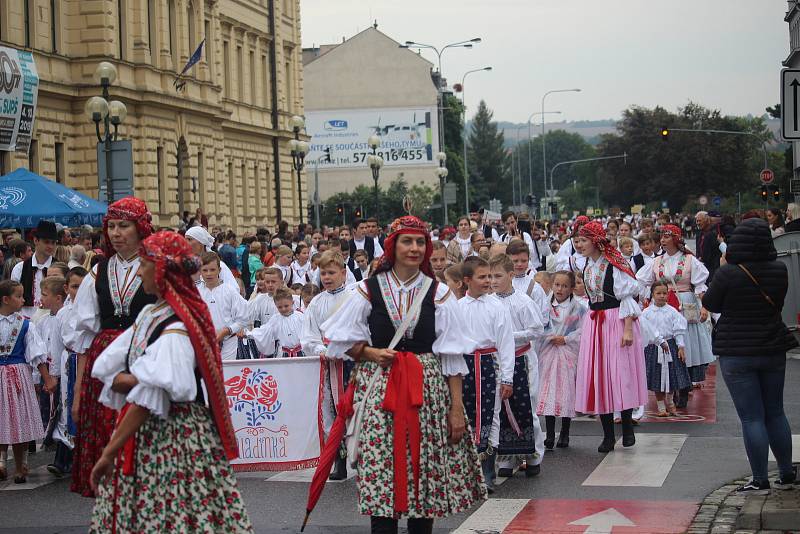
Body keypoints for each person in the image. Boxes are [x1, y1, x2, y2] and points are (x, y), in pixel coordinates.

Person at [321, 215, 485, 534]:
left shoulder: (438, 293)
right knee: (382, 470)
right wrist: (371, 353)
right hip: (381, 391)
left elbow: (452, 355)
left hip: (428, 392)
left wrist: (456, 410)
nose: (414, 248)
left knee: (423, 473)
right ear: (393, 246)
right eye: (407, 241)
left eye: (420, 242)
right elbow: (341, 342)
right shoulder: (367, 290)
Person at [88, 231, 253, 531]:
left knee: (172, 512)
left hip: (172, 437)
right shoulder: (154, 313)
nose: (139, 271)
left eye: (144, 264)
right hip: (152, 433)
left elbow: (149, 396)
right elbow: (110, 368)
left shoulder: (176, 325)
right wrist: (132, 379)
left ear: (162, 269)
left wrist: (109, 452)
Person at [67, 197, 156, 497]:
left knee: (141, 435)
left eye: (124, 226)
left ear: (139, 227)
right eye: (112, 226)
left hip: (144, 356)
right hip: (103, 361)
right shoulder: (98, 271)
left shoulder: (155, 266)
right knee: (107, 434)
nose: (116, 233)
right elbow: (83, 339)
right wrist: (78, 391)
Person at [702, 218, 798, 493]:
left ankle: (759, 478)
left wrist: (721, 270)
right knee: (776, 412)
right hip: (772, 346)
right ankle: (786, 471)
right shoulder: (780, 269)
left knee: (751, 417)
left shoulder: (728, 273)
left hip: (736, 350)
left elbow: (710, 303)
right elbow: (778, 303)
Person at [574, 221, 647, 453]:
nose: (579, 245)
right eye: (577, 240)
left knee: (619, 372)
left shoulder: (614, 264)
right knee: (599, 376)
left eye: (583, 240)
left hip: (616, 321)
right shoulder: (587, 266)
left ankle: (626, 428)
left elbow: (628, 298)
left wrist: (627, 329)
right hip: (595, 323)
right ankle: (607, 435)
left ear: (596, 241)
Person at [636, 225, 715, 406]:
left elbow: (700, 285)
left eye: (666, 237)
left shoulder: (689, 260)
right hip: (662, 304)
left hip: (683, 303)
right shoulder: (656, 262)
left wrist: (705, 307)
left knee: (684, 343)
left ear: (676, 239)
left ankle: (684, 388)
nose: (662, 240)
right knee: (665, 343)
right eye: (661, 237)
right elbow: (642, 282)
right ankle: (670, 386)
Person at [459, 256, 515, 493]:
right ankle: (465, 472)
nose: (487, 281)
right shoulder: (457, 307)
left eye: (490, 276)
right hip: (464, 365)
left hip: (488, 365)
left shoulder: (497, 307)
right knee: (463, 415)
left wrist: (507, 377)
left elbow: (506, 343)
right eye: (482, 277)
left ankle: (487, 472)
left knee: (490, 416)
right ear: (467, 280)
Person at [489, 254, 546, 478]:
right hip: (499, 362)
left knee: (527, 409)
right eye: (491, 276)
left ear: (511, 276)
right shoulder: (490, 301)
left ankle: (533, 456)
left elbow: (537, 330)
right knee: (501, 409)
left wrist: (509, 336)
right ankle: (506, 456)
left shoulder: (523, 301)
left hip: (522, 359)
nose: (493, 281)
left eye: (498, 276)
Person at [300, 250, 354, 479]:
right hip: (329, 365)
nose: (327, 277)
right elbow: (309, 335)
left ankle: (361, 457)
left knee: (356, 407)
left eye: (332, 273)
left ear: (343, 273)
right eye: (323, 273)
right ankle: (338, 461)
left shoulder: (354, 297)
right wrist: (321, 349)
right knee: (331, 409)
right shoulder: (317, 303)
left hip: (352, 363)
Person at [0, 280, 53, 483]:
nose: (24, 299)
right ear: (6, 299)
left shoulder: (25, 324)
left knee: (18, 421)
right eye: (19, 296)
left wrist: (47, 378)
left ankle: (21, 464)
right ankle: (2, 461)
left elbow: (36, 354)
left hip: (18, 377)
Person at [537, 271, 586, 450]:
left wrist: (565, 339)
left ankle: (565, 432)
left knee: (566, 391)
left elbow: (582, 331)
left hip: (567, 352)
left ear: (571, 288)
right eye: (557, 285)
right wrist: (551, 337)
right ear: (552, 285)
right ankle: (549, 434)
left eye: (565, 286)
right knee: (548, 391)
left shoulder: (579, 308)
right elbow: (539, 325)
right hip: (549, 352)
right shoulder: (545, 306)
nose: (560, 289)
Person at [47, 267, 87, 477]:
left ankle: (83, 457)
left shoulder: (91, 310)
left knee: (83, 406)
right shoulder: (62, 313)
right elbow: (56, 345)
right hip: (67, 361)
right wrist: (53, 375)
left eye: (82, 286)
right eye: (74, 286)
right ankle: (62, 459)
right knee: (66, 407)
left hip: (85, 361)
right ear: (66, 288)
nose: (78, 291)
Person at [642, 282, 691, 417]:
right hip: (653, 348)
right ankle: (661, 406)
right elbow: (644, 332)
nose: (662, 296)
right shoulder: (646, 313)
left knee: (671, 375)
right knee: (656, 377)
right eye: (658, 293)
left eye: (664, 293)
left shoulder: (672, 311)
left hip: (670, 346)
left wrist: (681, 346)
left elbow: (678, 330)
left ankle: (670, 401)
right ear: (652, 294)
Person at [198, 252, 249, 360]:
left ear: (219, 270)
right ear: (200, 271)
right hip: (203, 343)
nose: (208, 274)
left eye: (212, 270)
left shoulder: (230, 291)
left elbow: (243, 319)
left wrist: (227, 330)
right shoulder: (196, 293)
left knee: (226, 375)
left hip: (228, 344)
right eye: (205, 270)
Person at [12, 220, 57, 319]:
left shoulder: (58, 268)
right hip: (25, 321)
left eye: (53, 242)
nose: (51, 246)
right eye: (46, 242)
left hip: (51, 321)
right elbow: (13, 299)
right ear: (36, 240)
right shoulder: (19, 268)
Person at [247, 287, 304, 358]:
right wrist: (247, 334)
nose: (283, 309)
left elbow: (309, 333)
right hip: (282, 355)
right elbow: (263, 332)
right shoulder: (275, 319)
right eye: (280, 307)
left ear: (292, 302)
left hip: (301, 354)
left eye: (286, 306)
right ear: (276, 305)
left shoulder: (300, 317)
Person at [695, 211, 721, 282]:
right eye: (697, 221)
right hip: (702, 267)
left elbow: (714, 252)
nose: (698, 223)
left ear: (707, 221)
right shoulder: (699, 234)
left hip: (712, 268)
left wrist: (703, 259)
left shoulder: (713, 233)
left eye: (699, 221)